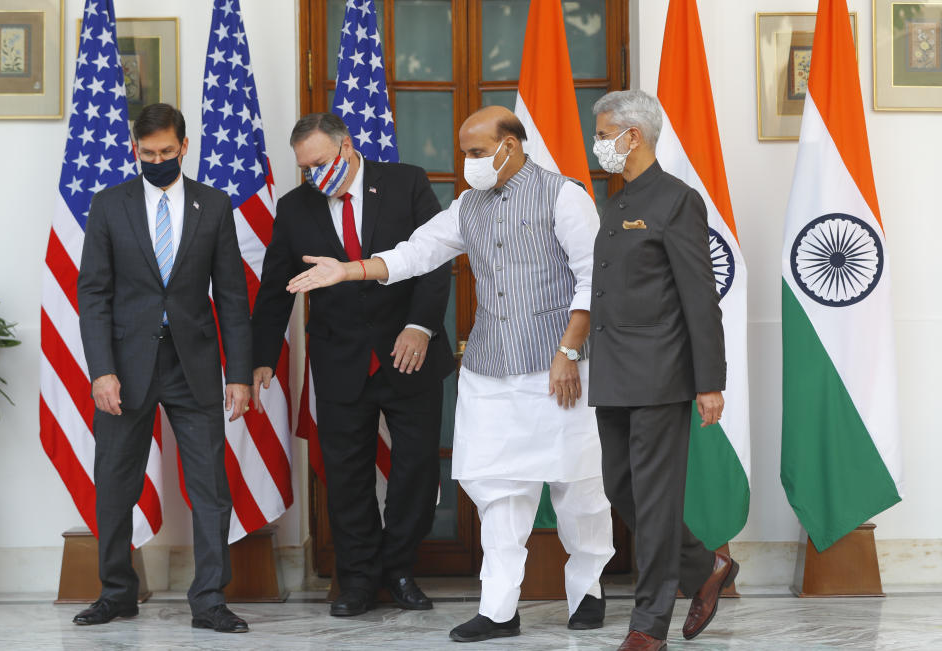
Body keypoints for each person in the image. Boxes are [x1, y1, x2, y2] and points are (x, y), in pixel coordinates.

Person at [289, 106, 615, 643]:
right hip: (489, 369)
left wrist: (570, 352)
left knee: (576, 486)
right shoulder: (467, 207)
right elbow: (416, 253)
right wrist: (348, 269)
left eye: (478, 152)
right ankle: (499, 609)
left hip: (558, 366)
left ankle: (588, 587)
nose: (469, 162)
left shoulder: (565, 196)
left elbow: (591, 280)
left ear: (512, 145)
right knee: (497, 491)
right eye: (464, 152)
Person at [251, 113, 454, 617]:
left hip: (409, 352)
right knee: (347, 476)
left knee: (416, 468)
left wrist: (421, 326)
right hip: (339, 358)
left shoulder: (406, 182)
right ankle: (360, 580)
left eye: (319, 163)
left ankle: (400, 569)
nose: (313, 175)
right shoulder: (295, 208)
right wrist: (262, 358)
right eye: (304, 168)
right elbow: (278, 287)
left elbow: (435, 259)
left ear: (345, 149)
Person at [76, 103, 251, 633]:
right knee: (114, 482)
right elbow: (94, 295)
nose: (156, 160)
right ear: (135, 150)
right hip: (125, 369)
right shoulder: (109, 205)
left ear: (184, 147)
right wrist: (101, 371)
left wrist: (239, 374)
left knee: (210, 488)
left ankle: (210, 601)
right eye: (147, 153)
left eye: (166, 152)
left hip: (193, 365)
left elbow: (233, 297)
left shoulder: (214, 205)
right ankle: (116, 593)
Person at [588, 89, 739, 651]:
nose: (598, 143)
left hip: (658, 374)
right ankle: (707, 565)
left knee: (654, 503)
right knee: (619, 486)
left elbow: (700, 298)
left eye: (604, 134)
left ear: (633, 136)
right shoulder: (618, 200)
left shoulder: (677, 200)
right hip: (612, 374)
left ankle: (648, 626)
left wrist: (709, 383)